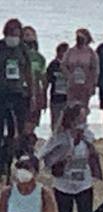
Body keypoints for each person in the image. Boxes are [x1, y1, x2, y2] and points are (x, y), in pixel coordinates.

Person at [40, 103, 101, 212]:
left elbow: (93, 153)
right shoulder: (59, 137)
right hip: (63, 185)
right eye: (80, 118)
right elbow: (44, 155)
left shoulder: (88, 135)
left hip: (84, 183)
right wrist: (61, 158)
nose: (83, 121)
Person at [0, 19, 37, 175]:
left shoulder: (23, 49)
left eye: (16, 33)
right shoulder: (1, 47)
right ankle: (2, 162)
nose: (13, 37)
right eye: (10, 33)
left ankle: (20, 157)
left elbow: (29, 72)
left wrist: (33, 94)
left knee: (20, 128)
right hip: (2, 92)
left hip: (19, 93)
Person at [61, 29, 99, 112]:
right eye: (77, 37)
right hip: (72, 85)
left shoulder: (91, 53)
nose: (79, 40)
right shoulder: (70, 51)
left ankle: (82, 123)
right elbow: (63, 65)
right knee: (71, 107)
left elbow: (95, 70)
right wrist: (69, 76)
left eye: (81, 38)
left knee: (82, 108)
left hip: (85, 86)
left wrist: (93, 85)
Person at [20, 27, 45, 128]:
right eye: (26, 35)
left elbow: (42, 78)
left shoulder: (39, 57)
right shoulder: (18, 54)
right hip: (21, 92)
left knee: (32, 124)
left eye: (31, 35)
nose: (29, 37)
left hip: (35, 92)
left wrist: (43, 96)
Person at [46, 43, 69, 133]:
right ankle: (55, 137)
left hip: (68, 96)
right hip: (56, 96)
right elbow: (47, 81)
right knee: (55, 120)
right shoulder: (53, 65)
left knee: (68, 120)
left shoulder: (71, 64)